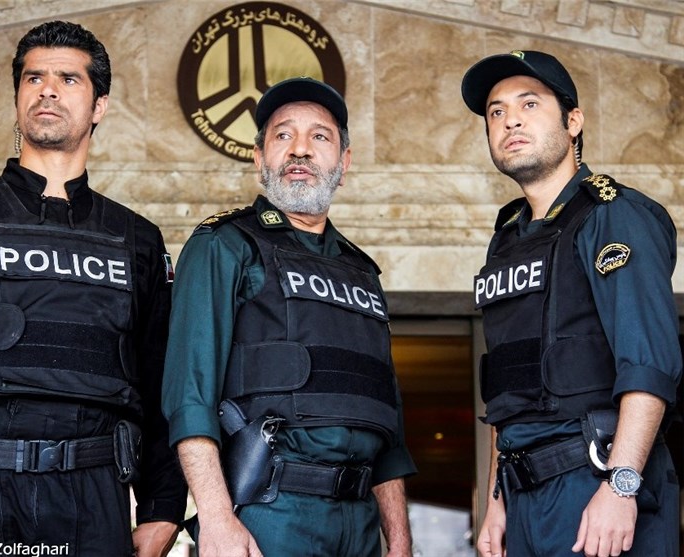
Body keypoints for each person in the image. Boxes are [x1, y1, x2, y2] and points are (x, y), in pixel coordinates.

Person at [0, 20, 186, 557]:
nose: (47, 90)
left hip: (94, 494)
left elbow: (161, 380)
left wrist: (163, 509)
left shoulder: (137, 239)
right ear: (17, 99)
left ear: (99, 106)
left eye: (68, 79)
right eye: (33, 78)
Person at [161, 77, 417, 556]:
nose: (300, 149)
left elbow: (387, 426)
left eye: (319, 136)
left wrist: (400, 544)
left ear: (344, 163)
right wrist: (215, 518)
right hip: (271, 512)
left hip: (359, 522)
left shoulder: (362, 272)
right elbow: (189, 399)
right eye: (283, 135)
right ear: (260, 159)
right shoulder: (225, 246)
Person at [461, 50, 681, 557]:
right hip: (524, 495)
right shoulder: (508, 240)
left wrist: (621, 486)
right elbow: (507, 392)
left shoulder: (613, 216)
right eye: (496, 112)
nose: (510, 120)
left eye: (530, 104)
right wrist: (497, 501)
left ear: (573, 122)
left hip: (596, 480)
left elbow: (648, 365)